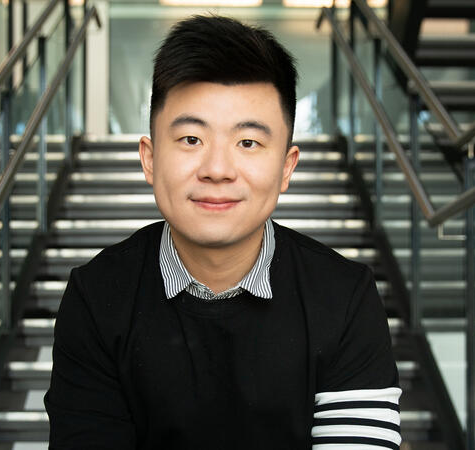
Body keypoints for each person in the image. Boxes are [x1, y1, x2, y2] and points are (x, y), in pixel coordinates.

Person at [45, 14, 401, 450]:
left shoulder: (346, 298)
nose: (217, 169)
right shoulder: (96, 297)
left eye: (248, 142)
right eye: (191, 139)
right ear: (150, 159)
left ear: (287, 167)